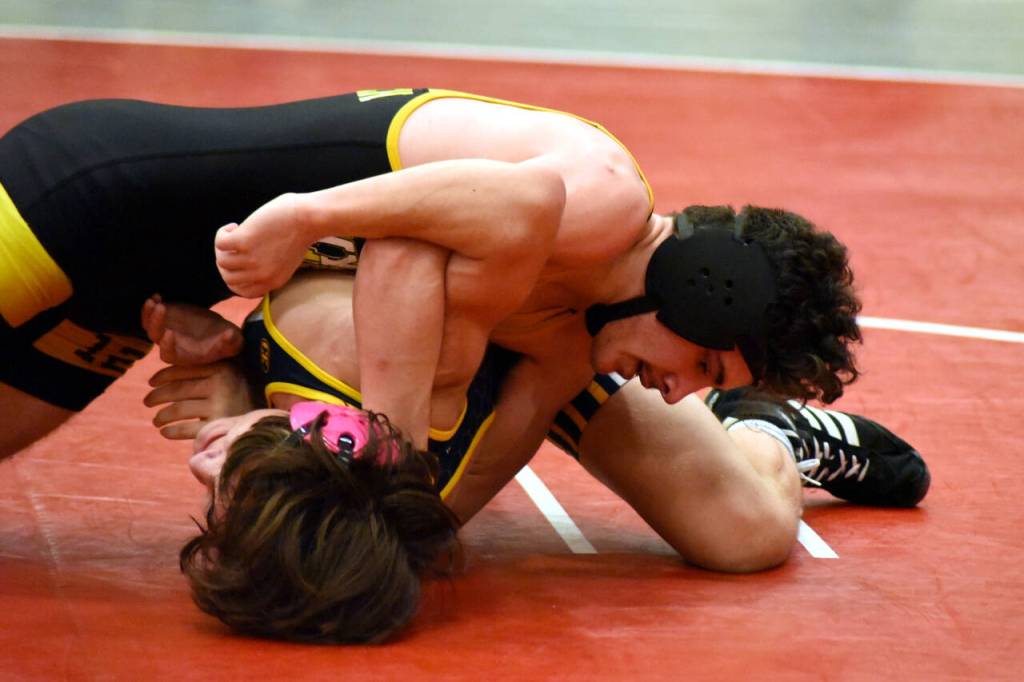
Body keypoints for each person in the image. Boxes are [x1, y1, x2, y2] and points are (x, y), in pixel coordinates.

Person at [1, 87, 861, 462]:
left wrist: (256, 396)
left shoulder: (567, 332)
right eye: (704, 368)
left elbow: (449, 476)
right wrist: (304, 218)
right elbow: (423, 234)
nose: (677, 392)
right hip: (86, 189)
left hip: (142, 280)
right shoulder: (602, 200)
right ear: (701, 284)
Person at [143, 236, 928, 644]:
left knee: (746, 533)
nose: (200, 463)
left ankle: (760, 426)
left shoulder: (335, 341)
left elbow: (548, 347)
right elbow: (423, 501)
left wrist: (212, 338)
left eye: (219, 476)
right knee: (748, 534)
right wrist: (237, 390)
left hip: (557, 327)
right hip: (527, 366)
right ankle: (770, 432)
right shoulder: (345, 476)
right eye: (226, 483)